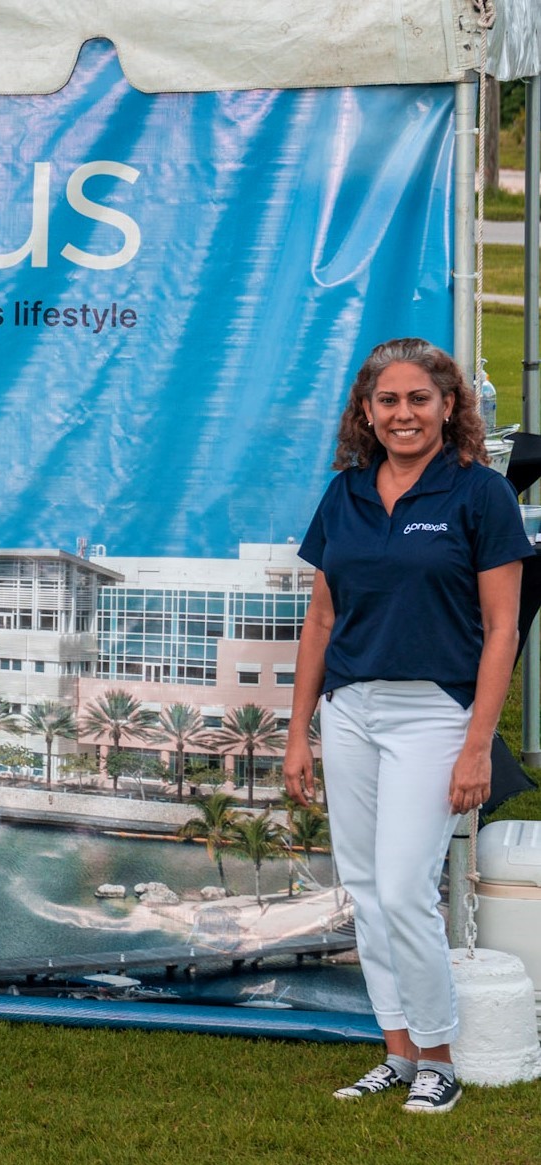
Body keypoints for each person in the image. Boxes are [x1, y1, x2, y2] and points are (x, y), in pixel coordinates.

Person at [283, 338, 531, 1114]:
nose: (403, 413)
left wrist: (477, 745)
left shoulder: (480, 495)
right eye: (387, 400)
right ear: (366, 411)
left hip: (435, 711)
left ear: (450, 406)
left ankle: (440, 1056)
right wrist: (299, 732)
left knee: (402, 887)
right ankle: (396, 1051)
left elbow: (503, 630)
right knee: (365, 887)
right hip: (350, 709)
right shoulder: (345, 495)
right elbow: (321, 618)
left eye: (419, 399)